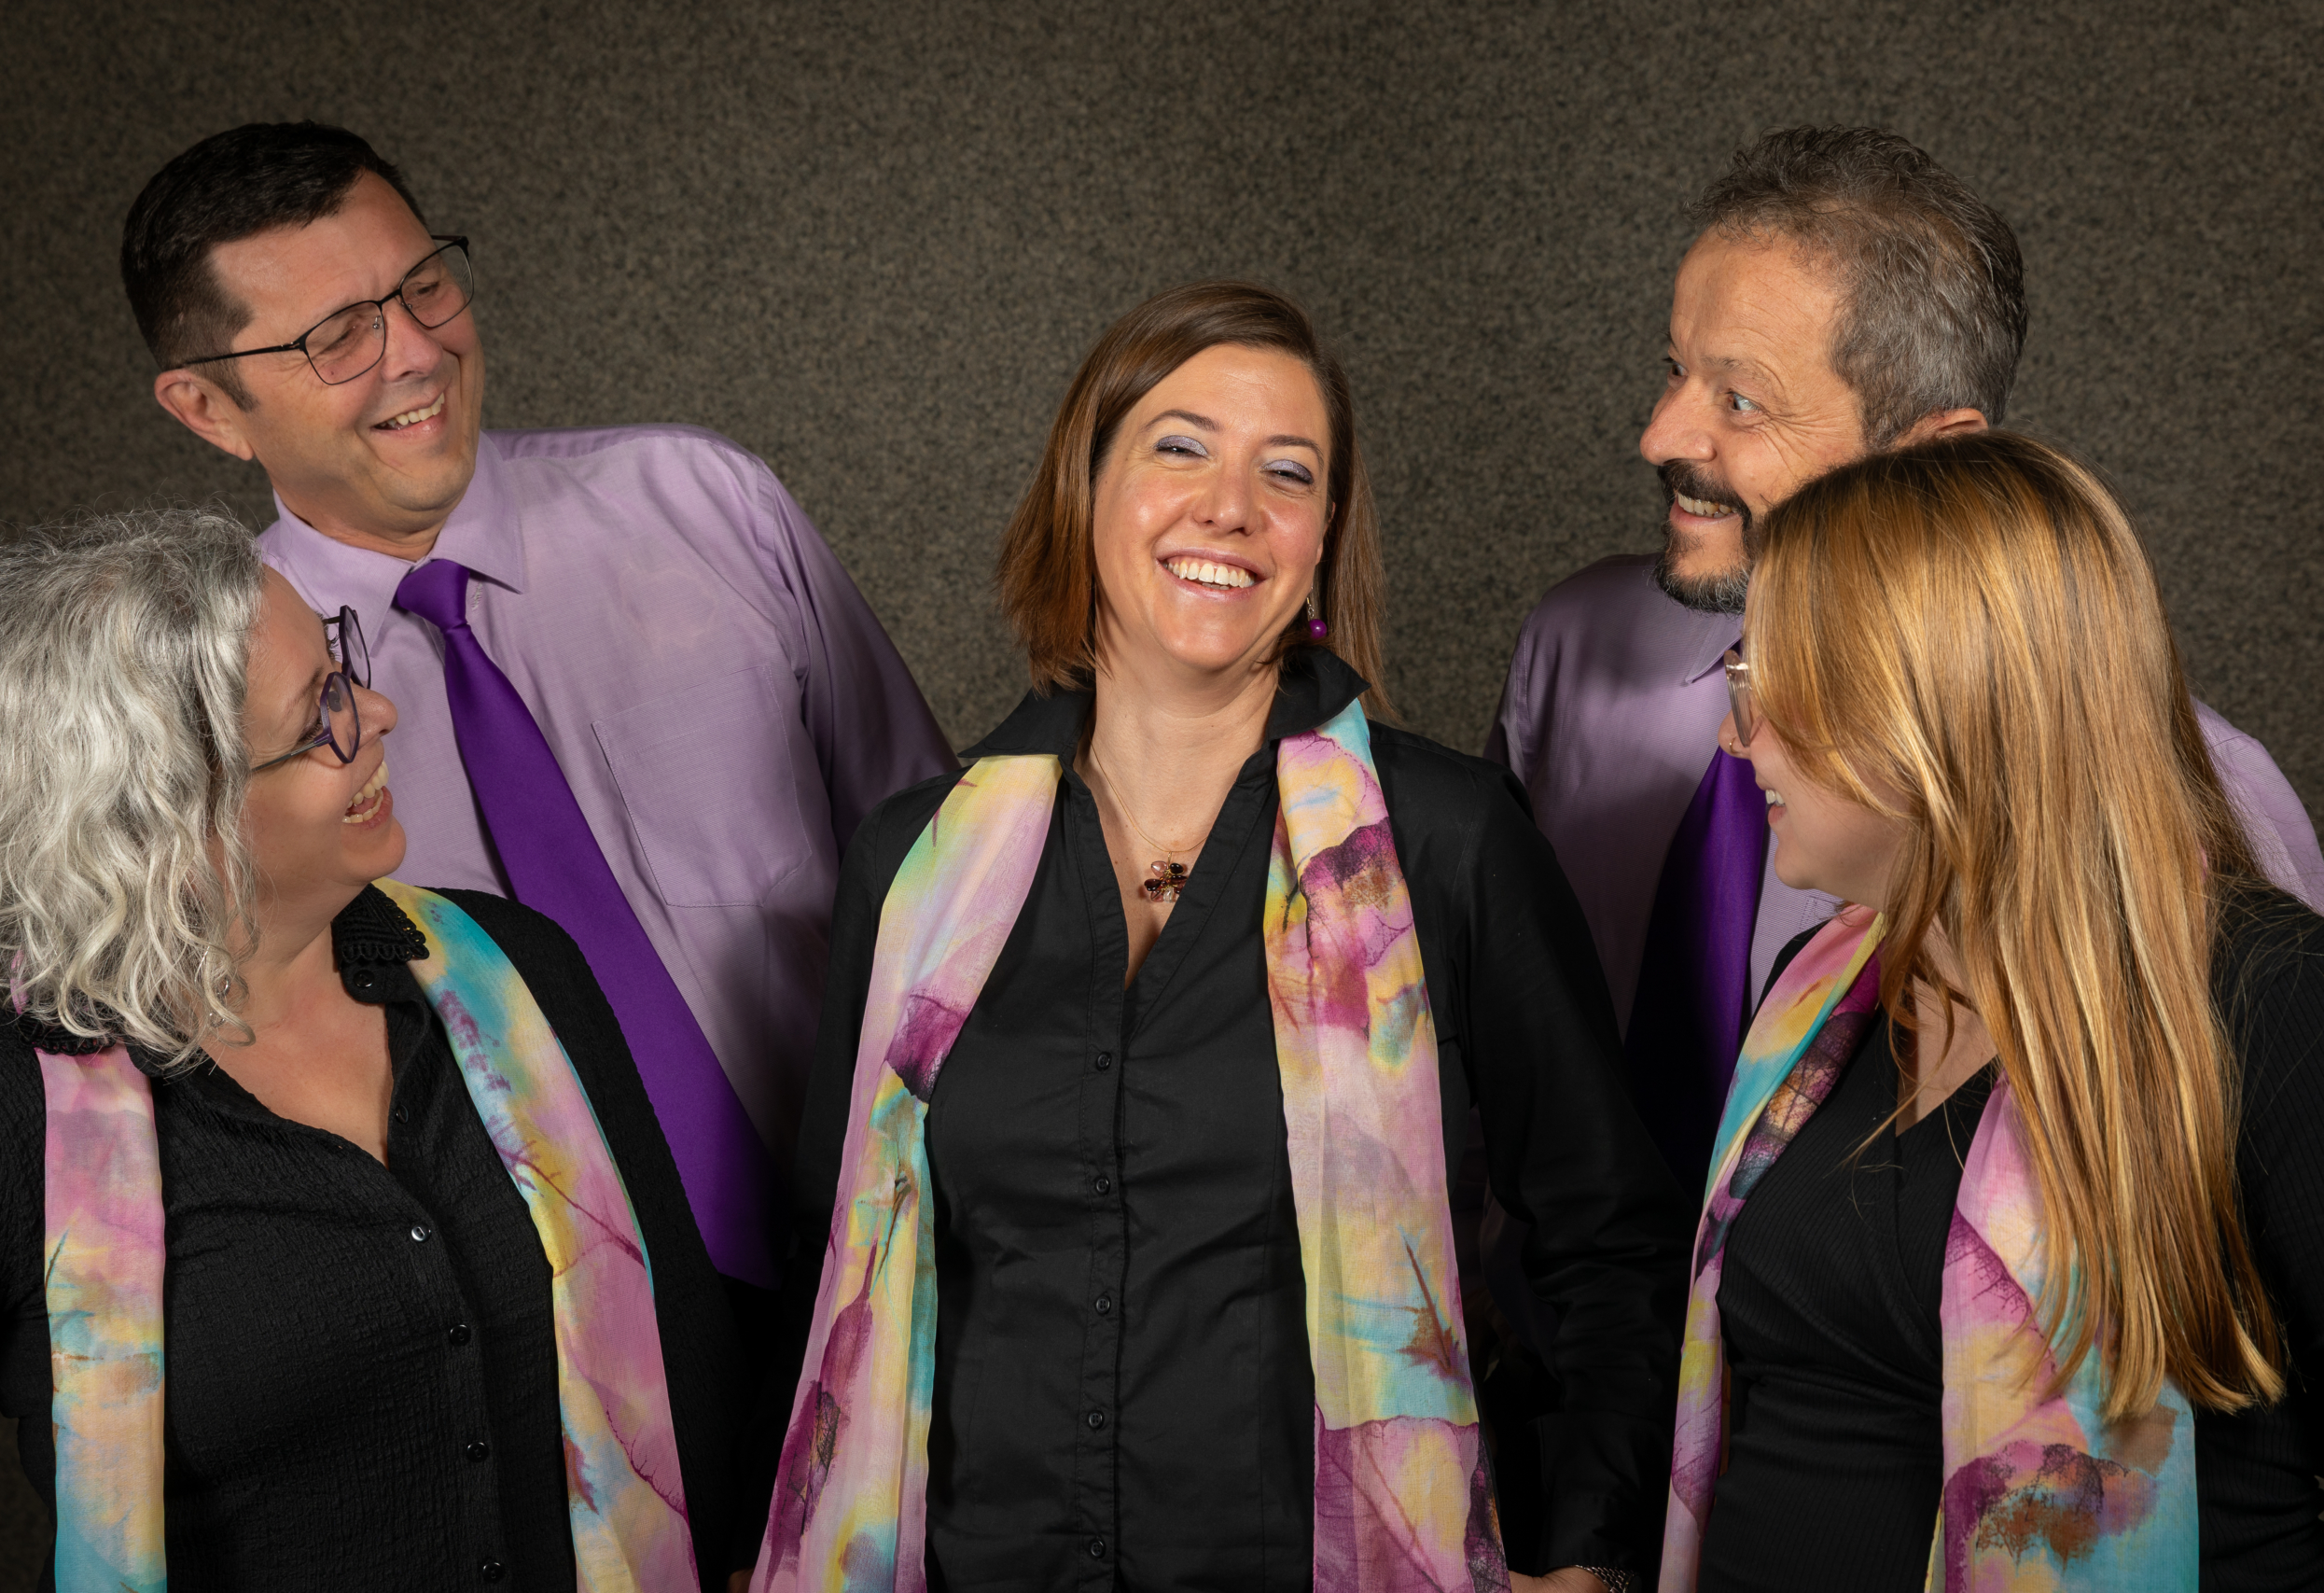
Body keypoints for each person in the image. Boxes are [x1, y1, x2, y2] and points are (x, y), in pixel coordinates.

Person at [757, 282, 1687, 1593]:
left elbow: (1611, 1245)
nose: (1230, 507)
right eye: (1181, 447)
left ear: (1322, 538)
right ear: (1085, 489)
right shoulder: (912, 864)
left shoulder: (1447, 841)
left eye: (1286, 472)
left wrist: (1589, 1552)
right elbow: (831, 1261)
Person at [122, 122, 955, 1288]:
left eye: (423, 285)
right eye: (338, 334)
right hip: (546, 1334)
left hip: (905, 1237)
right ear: (210, 409)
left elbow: (950, 867)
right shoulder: (206, 704)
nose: (418, 353)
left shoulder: (703, 505)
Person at [1485, 125, 2324, 1200]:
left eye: (1740, 400)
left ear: (1934, 451)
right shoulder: (1573, 642)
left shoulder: (2189, 790)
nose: (1659, 435)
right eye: (1674, 371)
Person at [0, 510, 764, 1588]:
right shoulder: (0, 1128)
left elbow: (683, 1332)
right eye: (318, 715)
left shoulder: (515, 966)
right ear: (169, 824)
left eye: (342, 668)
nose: (377, 712)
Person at [1659, 432, 2324, 1591]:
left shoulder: (2262, 1000)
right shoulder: (1817, 999)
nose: (1734, 734)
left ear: (1934, 701)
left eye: (1768, 682)